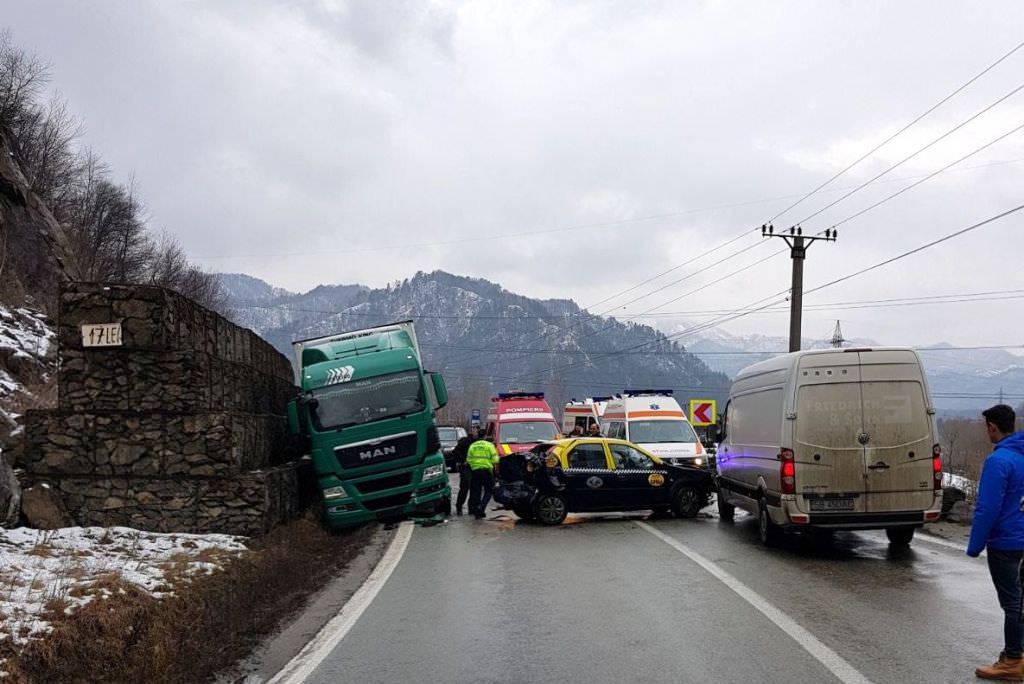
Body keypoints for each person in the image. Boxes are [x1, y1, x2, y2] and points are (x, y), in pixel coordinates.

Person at [968, 404, 1024, 681]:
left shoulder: (999, 461)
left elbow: (987, 508)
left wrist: (975, 545)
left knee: (1012, 603)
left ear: (992, 426)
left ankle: (1013, 660)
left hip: (1006, 542)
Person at [466, 433, 500, 519]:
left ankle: (476, 510)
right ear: (485, 436)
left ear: (478, 436)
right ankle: (481, 507)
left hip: (475, 471)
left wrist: (475, 465)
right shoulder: (489, 445)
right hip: (486, 471)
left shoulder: (472, 446)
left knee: (476, 491)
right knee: (489, 490)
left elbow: (468, 460)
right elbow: (495, 459)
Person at [451, 427, 478, 515]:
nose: (476, 434)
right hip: (465, 467)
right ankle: (459, 506)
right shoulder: (466, 441)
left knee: (474, 487)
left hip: (475, 467)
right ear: (472, 432)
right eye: (475, 431)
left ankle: (472, 508)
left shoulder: (479, 442)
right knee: (465, 486)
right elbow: (455, 451)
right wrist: (463, 461)